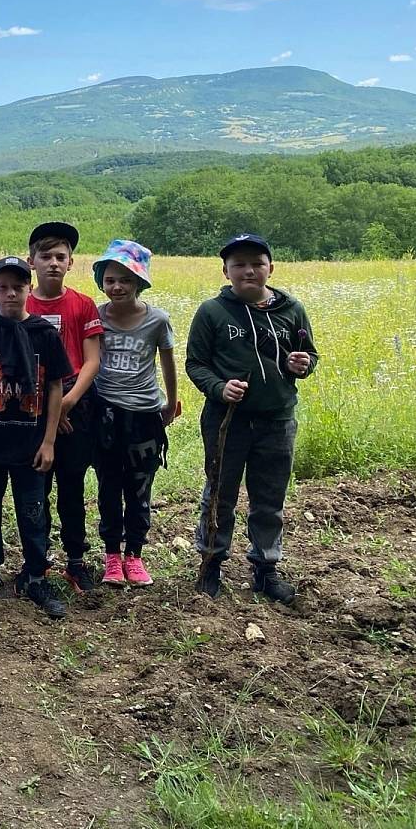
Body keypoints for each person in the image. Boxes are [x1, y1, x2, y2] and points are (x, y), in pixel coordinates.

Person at [188, 233, 317, 603]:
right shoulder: (212, 312)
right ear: (226, 271)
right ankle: (211, 564)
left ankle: (265, 568)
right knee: (219, 494)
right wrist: (219, 388)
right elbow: (196, 363)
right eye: (239, 264)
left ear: (270, 268)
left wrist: (302, 364)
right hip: (226, 421)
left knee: (269, 498)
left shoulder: (292, 310)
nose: (249, 270)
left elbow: (308, 354)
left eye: (257, 263)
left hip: (277, 420)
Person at [0, 257, 71, 619]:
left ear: (29, 289)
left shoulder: (44, 334)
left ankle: (36, 574)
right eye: (3, 287)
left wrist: (49, 441)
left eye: (18, 286)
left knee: (33, 510)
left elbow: (55, 385)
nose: (11, 293)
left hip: (31, 445)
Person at [93, 240, 178, 588]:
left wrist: (171, 403)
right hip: (105, 414)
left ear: (140, 282)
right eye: (110, 280)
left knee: (140, 487)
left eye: (125, 280)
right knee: (108, 486)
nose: (117, 287)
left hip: (144, 415)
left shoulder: (157, 320)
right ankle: (112, 555)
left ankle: (135, 554)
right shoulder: (96, 316)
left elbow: (168, 362)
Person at [25, 221, 103, 593]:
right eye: (46, 256)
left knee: (72, 487)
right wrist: (48, 409)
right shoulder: (23, 303)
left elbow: (92, 361)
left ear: (71, 262)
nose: (53, 263)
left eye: (61, 257)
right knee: (35, 490)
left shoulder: (83, 305)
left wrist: (67, 404)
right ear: (32, 261)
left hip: (76, 404)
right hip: (30, 406)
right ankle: (35, 562)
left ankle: (75, 560)